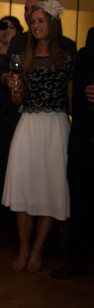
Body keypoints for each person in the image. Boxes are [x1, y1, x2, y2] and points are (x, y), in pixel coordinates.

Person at [3, 0, 73, 273]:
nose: (35, 26)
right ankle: (24, 247)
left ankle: (38, 249)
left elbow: (71, 102)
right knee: (25, 187)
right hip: (29, 124)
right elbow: (17, 101)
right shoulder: (24, 57)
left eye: (41, 20)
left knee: (49, 189)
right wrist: (15, 87)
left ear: (53, 23)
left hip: (56, 126)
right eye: (32, 22)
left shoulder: (67, 57)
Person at [51, 27, 94, 279]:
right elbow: (76, 97)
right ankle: (77, 259)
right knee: (79, 201)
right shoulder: (88, 46)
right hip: (83, 139)